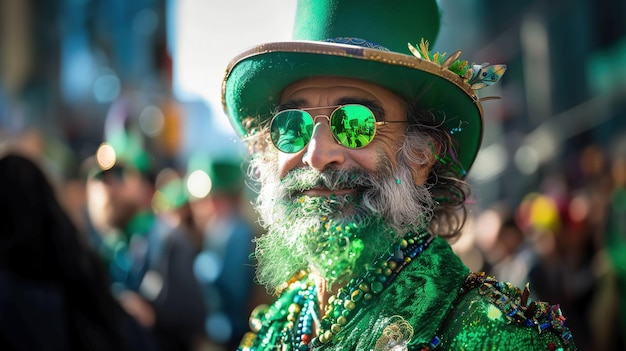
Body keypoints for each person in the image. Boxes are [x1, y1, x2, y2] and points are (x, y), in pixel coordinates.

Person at [219, 0, 577, 350]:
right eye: (292, 126)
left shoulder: (500, 338)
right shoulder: (275, 326)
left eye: (356, 123)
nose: (317, 155)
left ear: (421, 156)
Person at [0, 151, 155, 351]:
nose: (108, 188)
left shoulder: (161, 239)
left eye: (119, 177)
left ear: (143, 184)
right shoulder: (91, 254)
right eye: (100, 179)